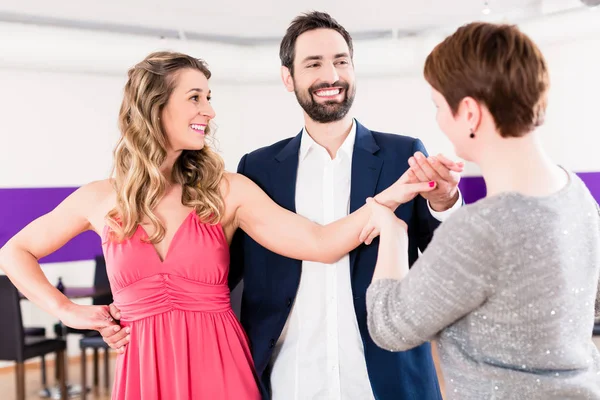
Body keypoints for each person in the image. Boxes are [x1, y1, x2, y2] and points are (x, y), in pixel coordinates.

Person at [0, 51, 435, 400]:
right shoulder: (98, 198)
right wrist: (69, 312)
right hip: (142, 373)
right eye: (195, 97)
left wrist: (390, 198)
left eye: (209, 97)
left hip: (221, 369)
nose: (209, 110)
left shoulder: (227, 191)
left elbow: (320, 243)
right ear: (156, 106)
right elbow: (14, 253)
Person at [364, 22, 600, 400]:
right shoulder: (578, 196)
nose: (439, 119)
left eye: (439, 106)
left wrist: (391, 230)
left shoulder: (482, 228)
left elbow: (390, 327)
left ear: (469, 113)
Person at [233, 11, 462, 400]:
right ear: (288, 78)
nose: (332, 75)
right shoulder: (256, 169)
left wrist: (445, 202)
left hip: (386, 381)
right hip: (291, 381)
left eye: (341, 61)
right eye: (314, 63)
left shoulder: (403, 155)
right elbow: (229, 272)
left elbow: (447, 259)